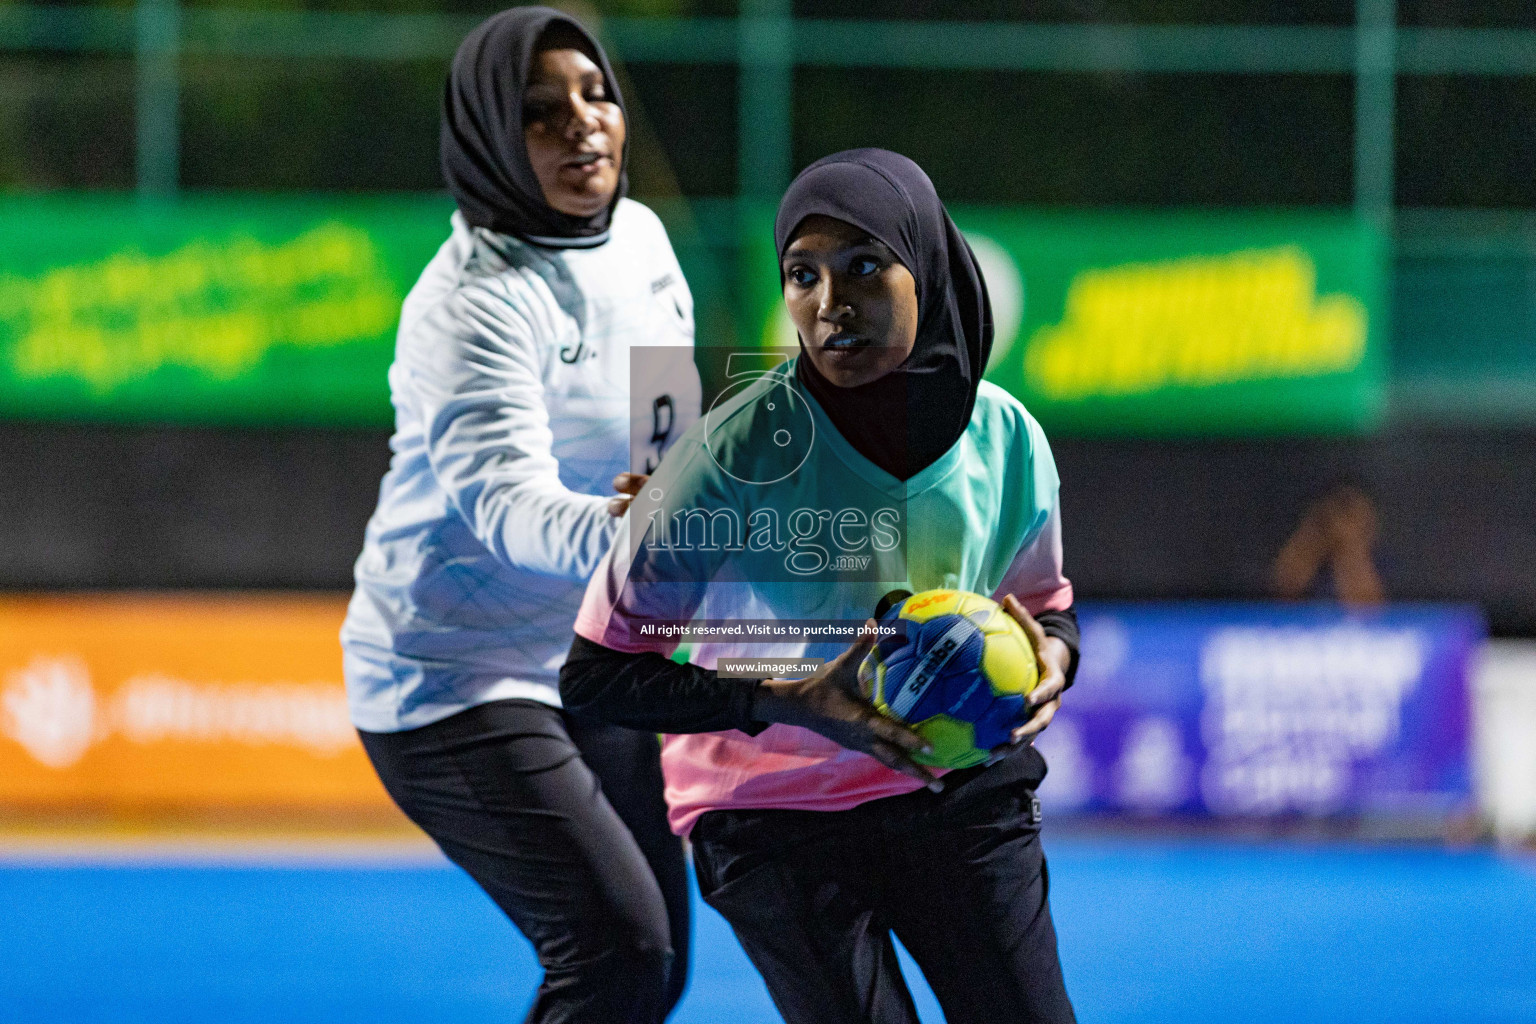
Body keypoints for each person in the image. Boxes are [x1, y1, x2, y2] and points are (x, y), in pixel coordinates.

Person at [560, 149, 1080, 1024]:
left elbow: (1048, 610)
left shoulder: (1008, 440)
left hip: (957, 790)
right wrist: (789, 700)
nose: (830, 304)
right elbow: (598, 676)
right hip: (771, 817)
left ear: (932, 267)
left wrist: (1055, 660)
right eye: (803, 274)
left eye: (864, 267)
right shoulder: (731, 455)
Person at [339, 9, 700, 1022]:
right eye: (542, 113)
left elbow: (664, 445)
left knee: (653, 967)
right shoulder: (469, 302)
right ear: (494, 140)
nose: (584, 123)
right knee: (617, 951)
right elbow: (507, 506)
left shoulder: (640, 238)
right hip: (448, 678)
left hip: (590, 655)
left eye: (597, 93)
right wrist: (630, 535)